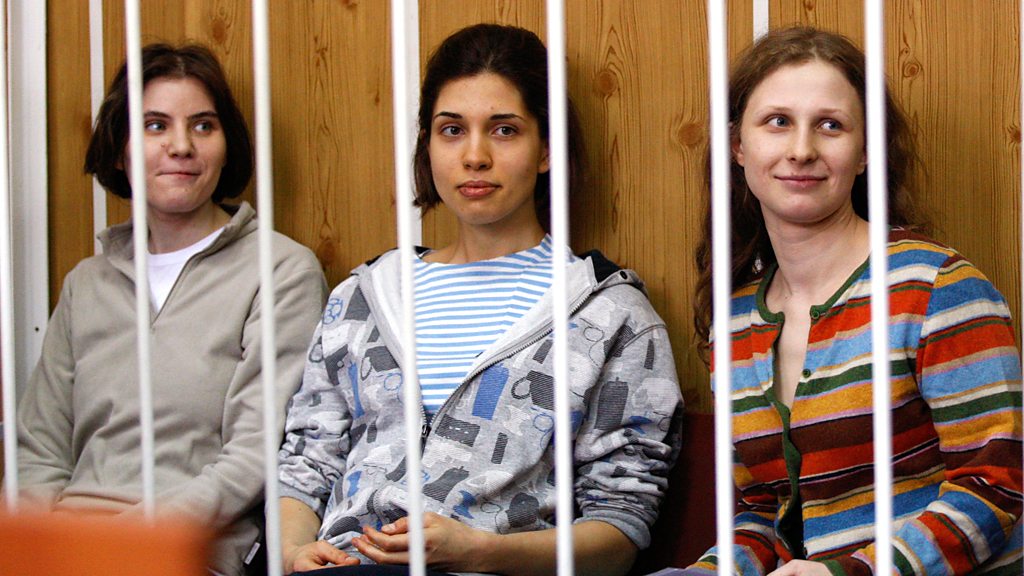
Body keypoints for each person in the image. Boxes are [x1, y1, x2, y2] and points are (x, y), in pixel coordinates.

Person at [277, 23, 683, 576]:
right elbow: (305, 465)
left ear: (546, 149)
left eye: (504, 130)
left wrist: (479, 550)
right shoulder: (360, 298)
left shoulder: (612, 313)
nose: (474, 155)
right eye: (451, 130)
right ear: (427, 145)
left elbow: (621, 529)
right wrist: (292, 551)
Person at [686, 27, 1022, 575]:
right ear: (737, 146)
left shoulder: (935, 286)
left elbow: (997, 486)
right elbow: (767, 513)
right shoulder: (736, 323)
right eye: (778, 121)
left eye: (830, 125)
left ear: (865, 152)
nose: (801, 150)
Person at [16, 43, 327, 576]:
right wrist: (42, 546)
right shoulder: (85, 284)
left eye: (203, 126)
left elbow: (255, 454)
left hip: (188, 553)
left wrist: (132, 542)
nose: (181, 146)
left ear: (227, 148)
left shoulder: (281, 270)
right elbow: (38, 451)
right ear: (120, 150)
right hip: (66, 547)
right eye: (155, 125)